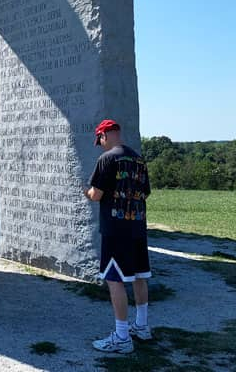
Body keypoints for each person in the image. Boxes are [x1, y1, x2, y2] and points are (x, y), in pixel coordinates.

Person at [85, 118, 152, 354]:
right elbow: (145, 192)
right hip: (137, 226)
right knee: (139, 276)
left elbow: (96, 194)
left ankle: (122, 336)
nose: (100, 144)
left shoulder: (107, 158)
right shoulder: (138, 159)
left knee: (115, 280)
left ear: (104, 136)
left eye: (99, 140)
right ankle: (142, 326)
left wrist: (86, 190)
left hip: (116, 228)